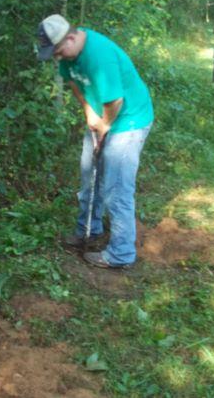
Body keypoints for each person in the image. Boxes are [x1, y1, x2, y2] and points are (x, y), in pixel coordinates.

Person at [36, 14, 153, 269]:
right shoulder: (68, 55)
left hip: (129, 120)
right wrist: (89, 112)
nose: (57, 57)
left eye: (57, 51)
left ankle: (121, 254)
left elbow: (115, 102)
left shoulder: (97, 55)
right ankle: (89, 230)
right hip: (102, 117)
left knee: (116, 187)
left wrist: (104, 126)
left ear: (71, 37)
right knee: (90, 174)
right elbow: (75, 85)